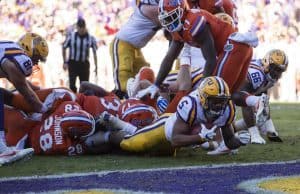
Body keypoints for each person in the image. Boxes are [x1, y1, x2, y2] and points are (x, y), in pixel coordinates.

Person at [97, 76, 250, 155]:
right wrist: (201, 137)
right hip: (165, 129)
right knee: (132, 144)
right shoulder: (191, 104)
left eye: (222, 101)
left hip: (184, 136)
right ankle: (106, 132)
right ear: (203, 98)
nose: (219, 105)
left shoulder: (227, 108)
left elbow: (229, 141)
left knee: (153, 154)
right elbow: (176, 139)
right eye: (215, 101)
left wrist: (239, 141)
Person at [137, 0, 257, 99]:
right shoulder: (180, 28)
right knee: (231, 95)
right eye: (166, 19)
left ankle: (209, 128)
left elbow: (210, 60)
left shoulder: (194, 22)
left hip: (233, 48)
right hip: (239, 48)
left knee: (214, 95)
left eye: (171, 17)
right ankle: (255, 101)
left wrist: (201, 90)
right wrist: (156, 85)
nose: (169, 23)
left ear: (181, 11)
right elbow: (169, 58)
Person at [0, 32, 48, 165]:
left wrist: (40, 90)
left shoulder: (10, 48)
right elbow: (27, 93)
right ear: (28, 49)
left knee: (3, 95)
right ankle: (2, 149)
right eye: (37, 58)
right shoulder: (21, 59)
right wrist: (45, 110)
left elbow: (23, 83)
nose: (36, 63)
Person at [232, 49, 288, 144]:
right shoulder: (256, 74)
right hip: (225, 94)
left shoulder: (267, 75)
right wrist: (254, 133)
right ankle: (254, 135)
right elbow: (243, 99)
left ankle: (232, 129)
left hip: (234, 94)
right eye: (276, 69)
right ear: (266, 63)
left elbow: (263, 98)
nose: (278, 74)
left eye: (281, 70)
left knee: (259, 116)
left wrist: (270, 128)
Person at [110, 0, 161, 99]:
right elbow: (168, 19)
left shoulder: (149, 6)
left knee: (145, 75)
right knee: (123, 82)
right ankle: (119, 106)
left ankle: (141, 103)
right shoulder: (147, 8)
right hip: (122, 44)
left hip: (135, 48)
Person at [62, 17, 98, 93]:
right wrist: (64, 62)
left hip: (84, 64)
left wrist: (96, 66)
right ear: (77, 27)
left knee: (84, 85)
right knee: (72, 85)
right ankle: (74, 102)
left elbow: (94, 52)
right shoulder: (71, 37)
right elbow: (64, 47)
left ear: (85, 27)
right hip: (73, 63)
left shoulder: (90, 38)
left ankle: (82, 102)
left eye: (83, 27)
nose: (81, 29)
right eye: (80, 27)